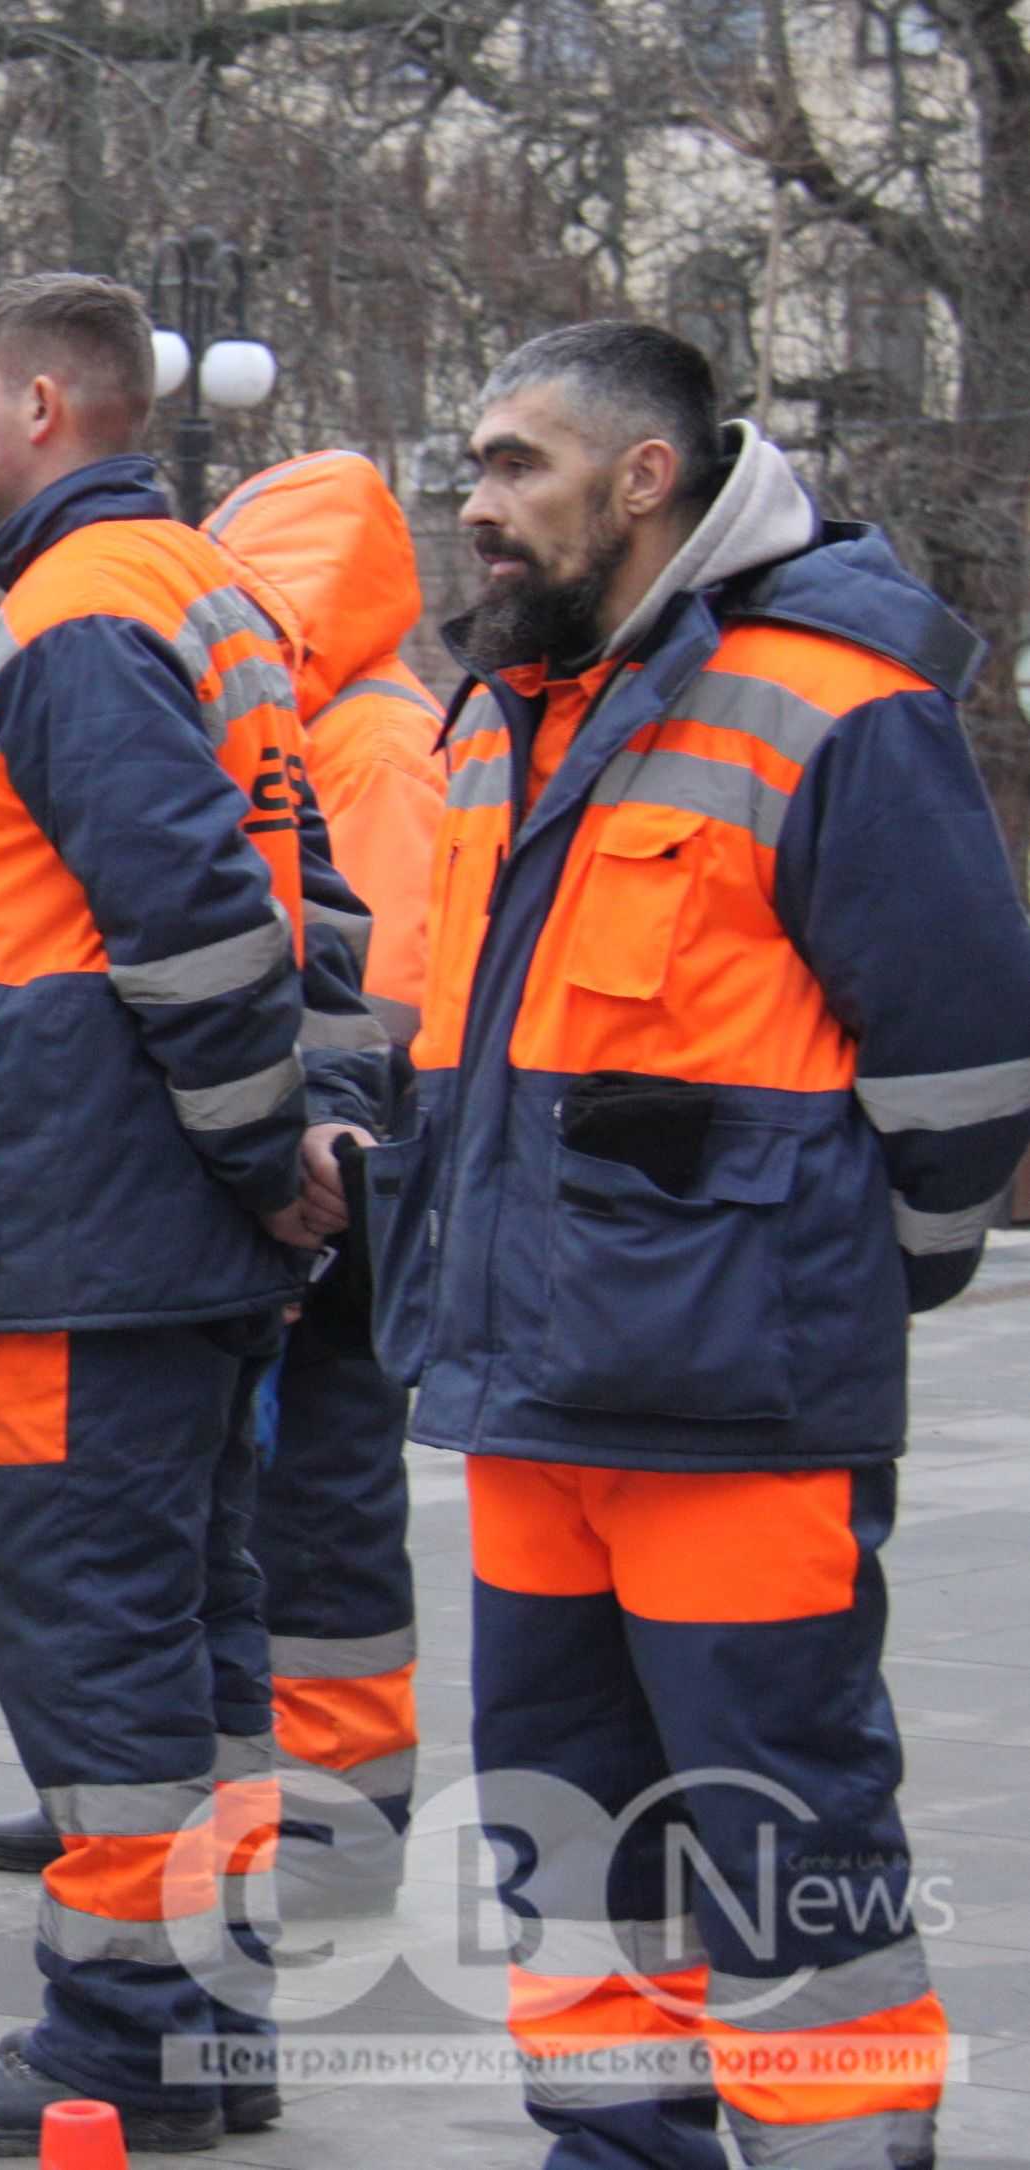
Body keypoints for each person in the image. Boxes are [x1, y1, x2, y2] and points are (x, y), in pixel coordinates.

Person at [382, 321, 1030, 2170]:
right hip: (531, 1404)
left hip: (737, 1411)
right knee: (567, 1847)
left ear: (644, 478)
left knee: (785, 1854)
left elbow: (969, 1063)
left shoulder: (832, 694)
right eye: (474, 473)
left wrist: (842, 1272)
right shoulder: (511, 706)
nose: (479, 507)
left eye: (516, 467)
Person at [0, 275, 389, 2157]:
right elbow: (317, 910)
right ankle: (214, 2021)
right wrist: (311, 1136)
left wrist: (270, 1155)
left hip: (90, 1218)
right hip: (175, 1226)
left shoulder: (77, 619)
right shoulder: (210, 600)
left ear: (50, 413)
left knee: (90, 1630)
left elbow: (186, 924)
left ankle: (124, 2038)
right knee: (195, 1626)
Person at [0, 449, 443, 1918]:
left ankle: (329, 1797)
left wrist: (296, 1143)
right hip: (309, 1146)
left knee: (306, 1503)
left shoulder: (365, 737)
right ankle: (214, 1828)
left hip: (333, 1156)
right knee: (225, 1524)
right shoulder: (319, 715)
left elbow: (347, 962)